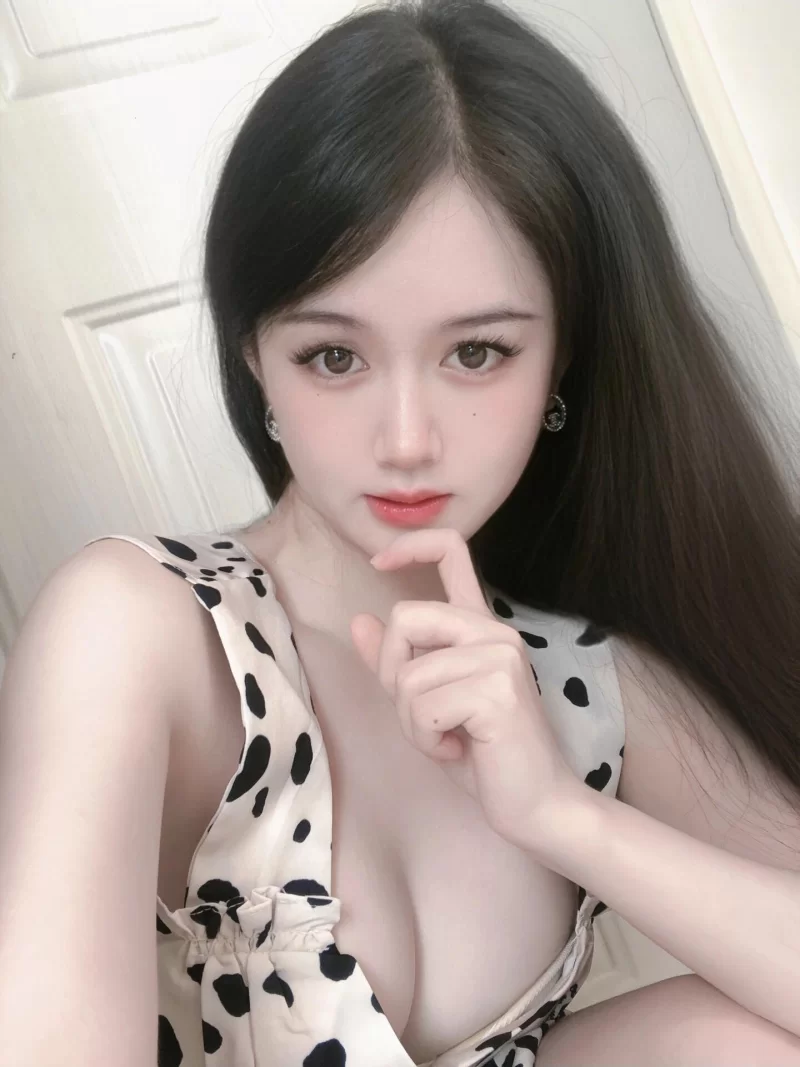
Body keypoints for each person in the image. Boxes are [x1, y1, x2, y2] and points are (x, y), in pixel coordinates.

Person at [1, 0, 799, 1065]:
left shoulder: (584, 688)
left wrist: (560, 815)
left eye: (476, 352)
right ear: (254, 355)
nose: (408, 440)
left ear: (561, 358)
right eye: (334, 356)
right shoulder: (140, 631)